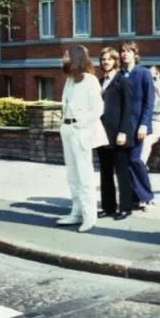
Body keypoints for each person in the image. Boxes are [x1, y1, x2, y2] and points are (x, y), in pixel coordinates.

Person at [57, 45, 109, 233]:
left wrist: (81, 125)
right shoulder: (69, 81)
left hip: (80, 131)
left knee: (84, 174)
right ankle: (76, 212)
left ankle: (89, 217)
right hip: (67, 129)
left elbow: (98, 109)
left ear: (76, 58)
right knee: (72, 175)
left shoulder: (90, 80)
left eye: (66, 56)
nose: (63, 59)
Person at [96, 47, 135, 221]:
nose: (106, 62)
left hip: (119, 134)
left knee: (122, 173)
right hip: (102, 134)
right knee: (105, 172)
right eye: (103, 59)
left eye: (109, 59)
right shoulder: (99, 82)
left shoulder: (123, 81)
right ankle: (108, 207)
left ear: (116, 61)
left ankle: (126, 208)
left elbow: (128, 109)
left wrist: (123, 132)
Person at [118, 41, 156, 209]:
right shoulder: (120, 74)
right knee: (125, 162)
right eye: (122, 51)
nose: (125, 54)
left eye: (128, 51)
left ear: (135, 54)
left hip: (138, 125)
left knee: (135, 159)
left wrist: (144, 124)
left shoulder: (143, 73)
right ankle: (133, 197)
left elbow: (149, 101)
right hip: (122, 126)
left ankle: (147, 196)